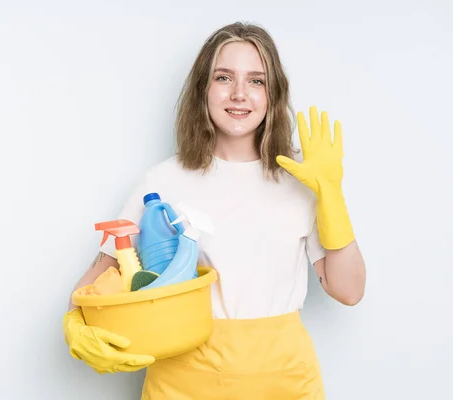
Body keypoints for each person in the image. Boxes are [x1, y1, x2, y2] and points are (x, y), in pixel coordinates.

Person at [62, 21, 366, 399]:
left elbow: (349, 291)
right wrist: (76, 324)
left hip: (286, 384)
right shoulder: (162, 182)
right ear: (203, 89)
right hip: (184, 385)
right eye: (224, 77)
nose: (240, 94)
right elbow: (93, 284)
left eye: (257, 81)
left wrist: (330, 195)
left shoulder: (302, 179)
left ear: (273, 94)